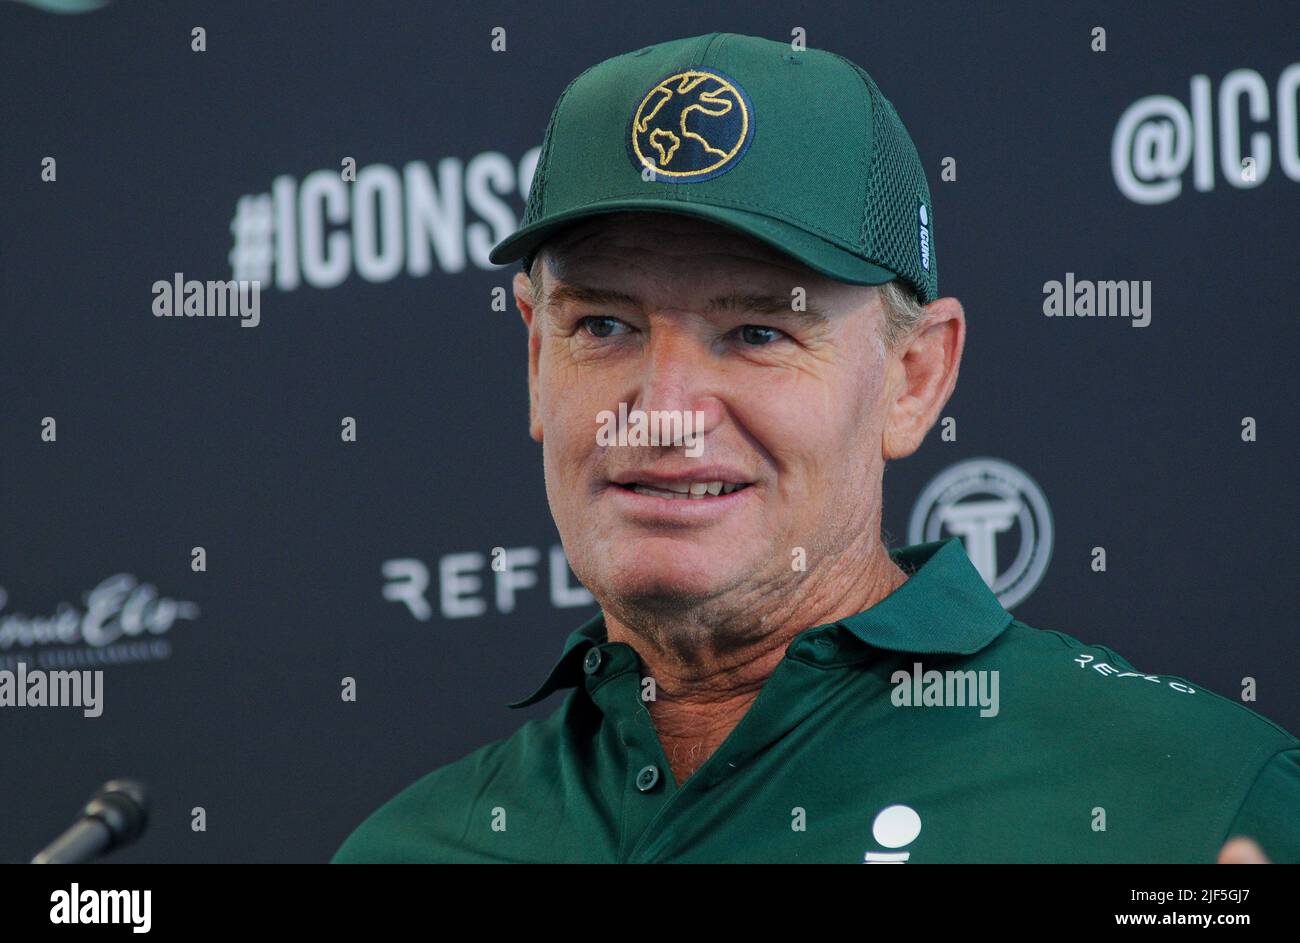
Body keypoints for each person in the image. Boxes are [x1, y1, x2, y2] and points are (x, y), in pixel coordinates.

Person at [333, 32, 1297, 863]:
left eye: (758, 331)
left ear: (914, 379)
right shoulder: (407, 849)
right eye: (604, 327)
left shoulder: (1198, 805)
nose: (665, 409)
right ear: (537, 356)